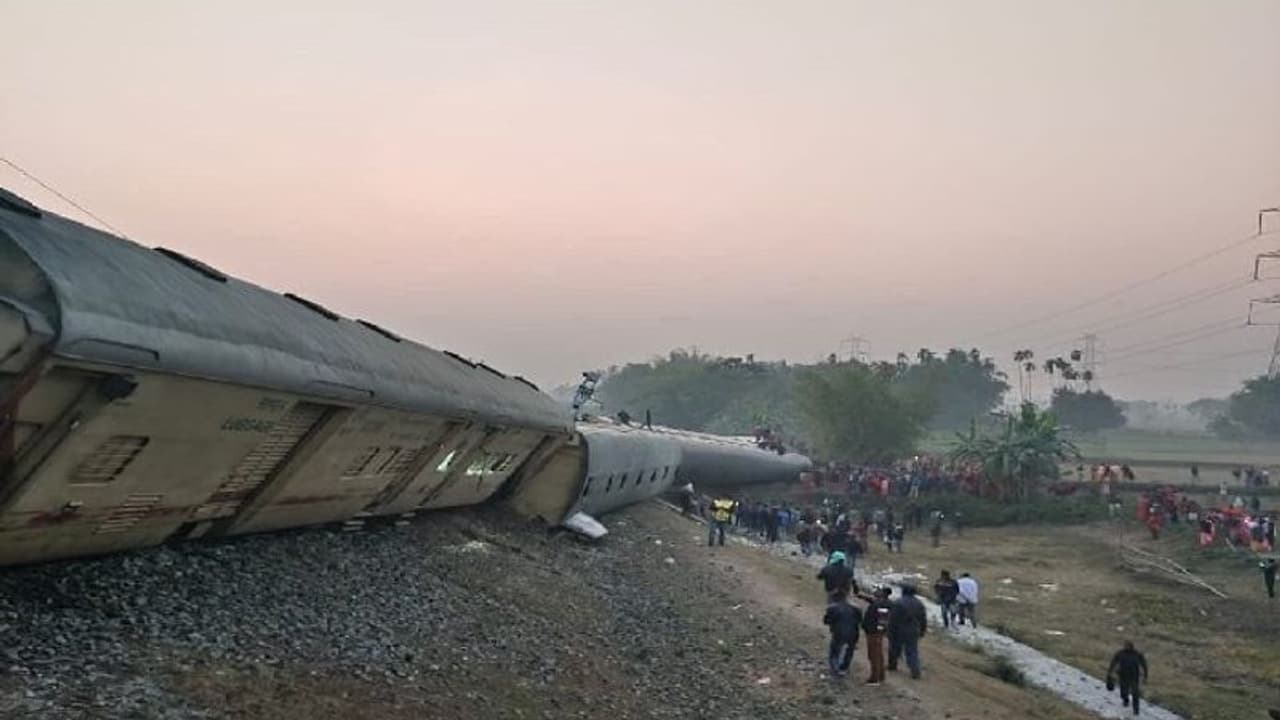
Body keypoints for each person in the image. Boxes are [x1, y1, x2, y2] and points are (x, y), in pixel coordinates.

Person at [887, 584, 927, 679]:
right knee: (912, 651)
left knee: (894, 648)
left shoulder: (898, 603)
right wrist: (922, 630)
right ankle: (915, 670)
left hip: (899, 629)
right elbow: (923, 619)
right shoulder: (919, 603)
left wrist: (889, 630)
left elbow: (893, 619)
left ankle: (892, 665)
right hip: (913, 630)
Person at [822, 592, 863, 678]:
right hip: (853, 632)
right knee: (849, 651)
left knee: (835, 651)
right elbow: (860, 620)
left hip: (839, 632)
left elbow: (826, 621)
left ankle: (836, 669)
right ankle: (844, 668)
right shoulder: (856, 608)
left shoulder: (832, 608)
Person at [1107, 641, 1149, 716]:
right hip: (1123, 676)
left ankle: (1136, 710)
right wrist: (1110, 672)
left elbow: (1144, 664)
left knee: (1135, 693)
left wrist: (1145, 675)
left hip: (1134, 676)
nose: (1126, 647)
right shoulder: (1120, 653)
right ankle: (1125, 699)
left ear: (1132, 646)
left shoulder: (1137, 654)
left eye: (1128, 646)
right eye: (1125, 646)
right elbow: (1113, 662)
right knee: (1123, 692)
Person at [861, 586, 892, 686]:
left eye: (880, 591)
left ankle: (874, 678)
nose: (876, 591)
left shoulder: (882, 604)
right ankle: (881, 675)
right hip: (875, 632)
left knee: (874, 655)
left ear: (883, 593)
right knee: (878, 654)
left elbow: (882, 622)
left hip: (874, 633)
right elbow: (870, 599)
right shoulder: (882, 602)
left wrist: (879, 633)